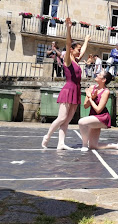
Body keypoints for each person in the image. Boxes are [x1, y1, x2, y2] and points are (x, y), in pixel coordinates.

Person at [42, 18, 90, 150]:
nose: (79, 51)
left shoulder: (76, 59)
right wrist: (68, 29)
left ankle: (61, 143)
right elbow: (68, 43)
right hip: (68, 89)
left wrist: (86, 40)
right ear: (71, 49)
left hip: (76, 90)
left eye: (80, 49)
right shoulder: (68, 60)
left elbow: (84, 50)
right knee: (62, 117)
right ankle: (47, 137)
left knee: (67, 120)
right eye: (77, 49)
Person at [78, 70, 118, 151]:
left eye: (99, 74)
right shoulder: (92, 88)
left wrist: (91, 98)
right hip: (93, 116)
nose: (97, 74)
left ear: (103, 80)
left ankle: (84, 145)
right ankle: (117, 146)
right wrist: (92, 97)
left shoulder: (106, 92)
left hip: (102, 118)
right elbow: (85, 106)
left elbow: (98, 110)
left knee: (81, 122)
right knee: (93, 146)